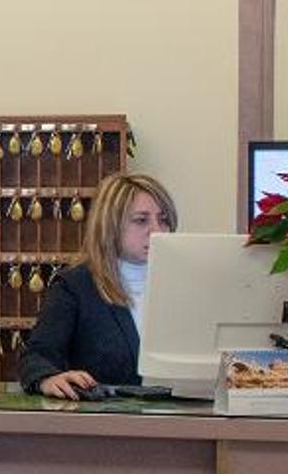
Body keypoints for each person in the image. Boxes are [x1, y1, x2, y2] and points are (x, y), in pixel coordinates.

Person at [16, 171, 177, 398]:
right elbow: (36, 357)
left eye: (164, 220)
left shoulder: (184, 284)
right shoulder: (74, 287)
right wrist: (47, 378)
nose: (157, 230)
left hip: (185, 415)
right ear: (110, 225)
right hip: (106, 417)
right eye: (141, 220)